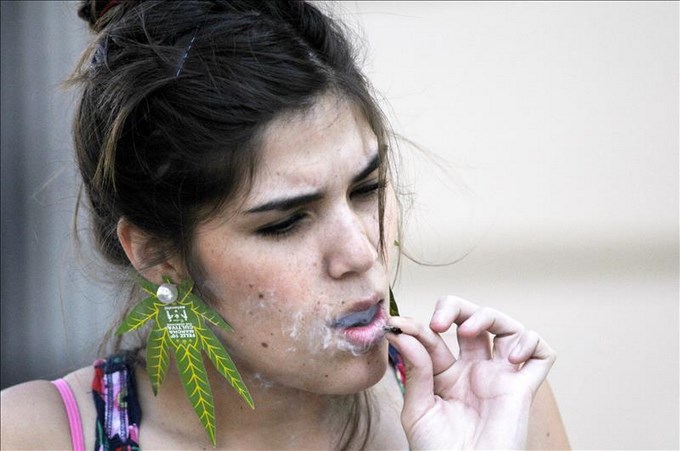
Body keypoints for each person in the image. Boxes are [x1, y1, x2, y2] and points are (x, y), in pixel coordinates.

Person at [1, 1, 569, 449]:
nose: (360, 253)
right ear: (157, 256)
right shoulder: (34, 436)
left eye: (367, 189)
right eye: (285, 223)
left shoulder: (491, 409)